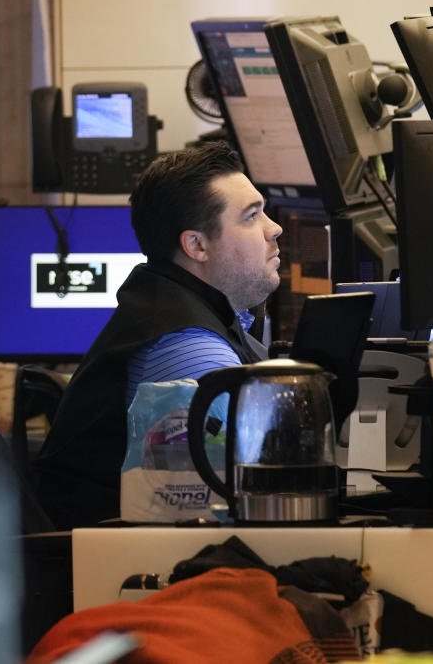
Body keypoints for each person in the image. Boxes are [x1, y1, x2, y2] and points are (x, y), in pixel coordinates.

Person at [32, 141, 282, 528]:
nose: (275, 229)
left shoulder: (174, 305)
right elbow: (257, 477)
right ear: (196, 245)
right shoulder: (186, 345)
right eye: (251, 217)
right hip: (111, 572)